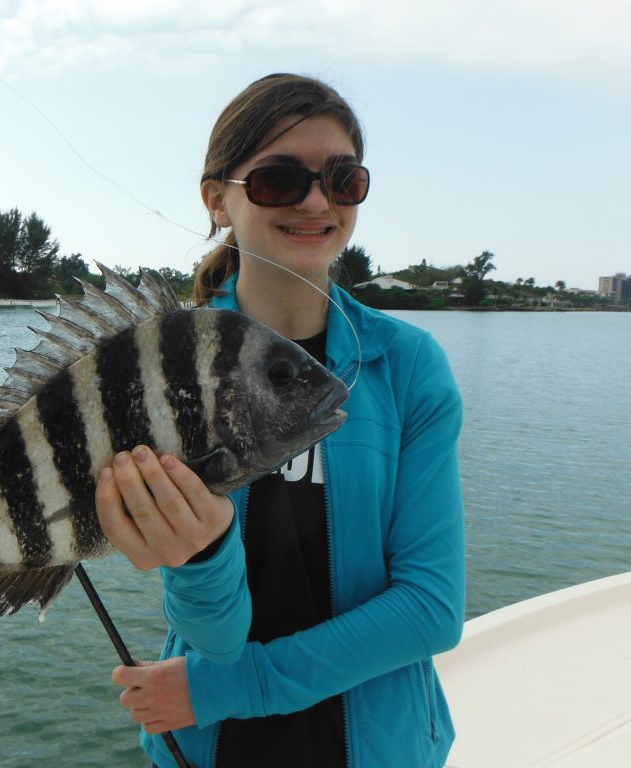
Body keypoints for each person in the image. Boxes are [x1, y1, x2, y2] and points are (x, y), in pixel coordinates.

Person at [95, 73, 465, 768]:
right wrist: (199, 557)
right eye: (278, 180)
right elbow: (215, 637)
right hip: (211, 746)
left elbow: (430, 608)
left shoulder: (408, 367)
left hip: (371, 745)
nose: (316, 201)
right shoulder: (167, 373)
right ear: (217, 199)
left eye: (342, 179)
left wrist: (227, 689)